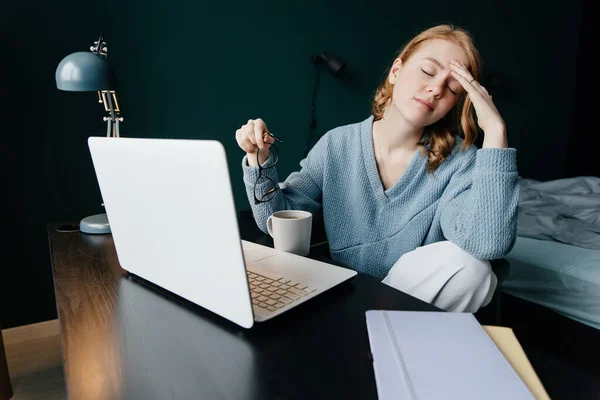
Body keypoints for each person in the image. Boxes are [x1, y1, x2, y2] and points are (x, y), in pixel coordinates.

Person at [235, 24, 519, 313]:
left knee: (474, 270)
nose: (436, 89)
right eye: (428, 71)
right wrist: (259, 158)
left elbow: (488, 245)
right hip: (343, 297)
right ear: (396, 71)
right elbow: (273, 220)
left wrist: (495, 133)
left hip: (410, 309)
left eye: (452, 88)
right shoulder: (337, 145)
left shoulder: (461, 162)